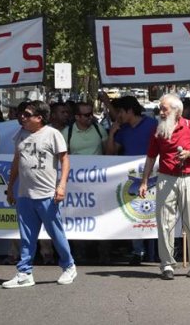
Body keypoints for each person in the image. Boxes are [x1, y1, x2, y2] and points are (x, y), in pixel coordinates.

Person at [2, 101, 75, 288]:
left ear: (39, 118)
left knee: (55, 233)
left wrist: (62, 185)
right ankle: (24, 272)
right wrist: (10, 187)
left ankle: (69, 266)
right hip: (25, 194)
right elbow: (16, 161)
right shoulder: (21, 134)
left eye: (27, 114)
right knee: (26, 236)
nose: (22, 117)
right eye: (22, 114)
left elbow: (65, 160)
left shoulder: (52, 134)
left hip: (46, 194)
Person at [139, 94, 190, 280]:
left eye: (164, 109)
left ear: (177, 111)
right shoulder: (158, 129)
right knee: (164, 222)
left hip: (189, 177)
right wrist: (144, 181)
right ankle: (167, 265)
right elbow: (151, 157)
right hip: (166, 178)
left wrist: (189, 154)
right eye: (160, 108)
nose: (160, 112)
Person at [106, 95, 158, 265]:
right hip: (132, 178)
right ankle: (138, 251)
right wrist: (113, 133)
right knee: (134, 213)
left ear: (129, 110)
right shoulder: (123, 129)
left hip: (153, 176)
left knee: (153, 213)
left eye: (120, 111)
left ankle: (158, 250)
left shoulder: (152, 125)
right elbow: (110, 153)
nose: (118, 115)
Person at [62, 102, 109, 263]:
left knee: (102, 216)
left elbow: (109, 151)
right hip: (75, 182)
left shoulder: (98, 129)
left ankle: (103, 252)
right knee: (77, 216)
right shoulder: (66, 133)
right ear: (77, 117)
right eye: (87, 115)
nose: (91, 118)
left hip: (98, 181)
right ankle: (79, 252)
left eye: (91, 114)